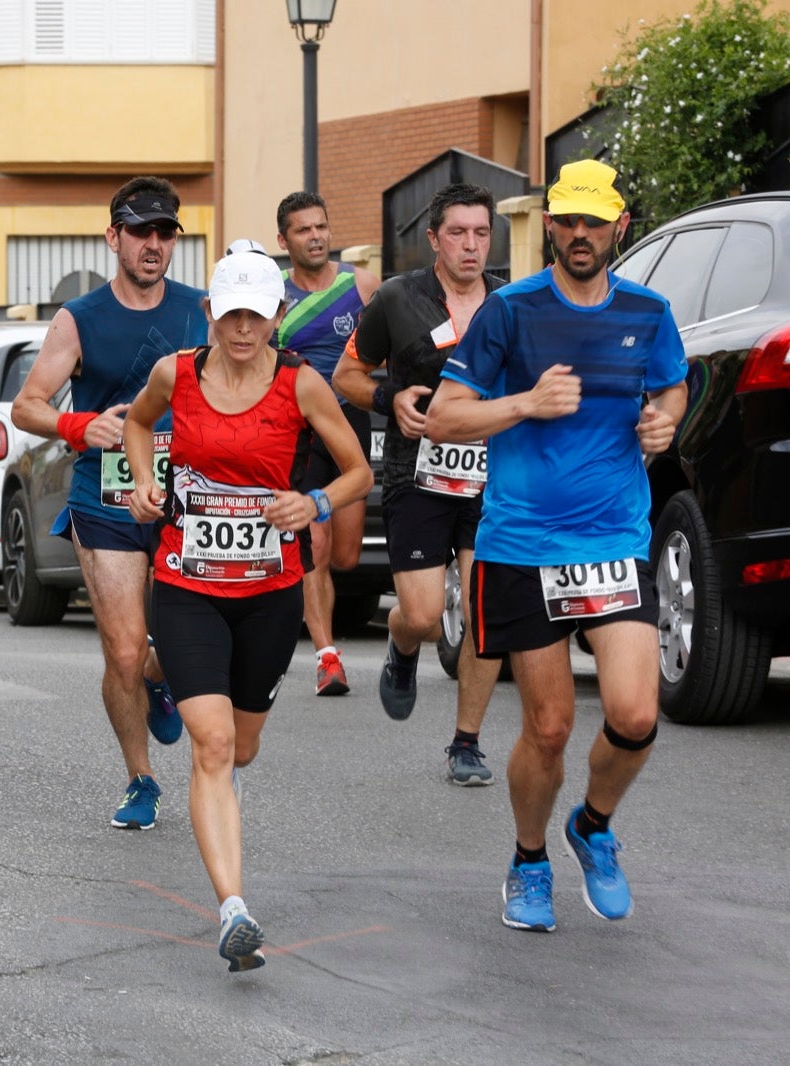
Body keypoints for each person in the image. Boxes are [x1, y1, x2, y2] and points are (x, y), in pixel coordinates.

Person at [425, 159, 687, 933]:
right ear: (549, 226)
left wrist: (664, 421)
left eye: (592, 221)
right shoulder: (510, 311)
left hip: (612, 538)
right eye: (565, 220)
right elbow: (443, 417)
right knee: (548, 726)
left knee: (636, 713)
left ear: (618, 227)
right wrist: (525, 403)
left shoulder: (649, 309)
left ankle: (593, 826)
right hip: (523, 546)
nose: (578, 234)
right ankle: (530, 857)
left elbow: (671, 383)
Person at [125, 247, 371, 971]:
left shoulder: (302, 386)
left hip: (267, 592)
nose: (241, 328)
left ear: (275, 317)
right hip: (186, 582)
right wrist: (146, 482)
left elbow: (358, 471)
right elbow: (139, 424)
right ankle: (233, 907)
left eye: (255, 315)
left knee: (245, 745)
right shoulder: (176, 373)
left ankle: (157, 669)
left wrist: (315, 501)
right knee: (214, 748)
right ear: (210, 314)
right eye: (229, 313)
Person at [12, 176, 208, 830]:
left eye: (165, 233)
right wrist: (77, 426)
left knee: (180, 647)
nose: (153, 245)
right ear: (113, 237)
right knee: (122, 651)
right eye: (141, 232)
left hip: (186, 497)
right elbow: (27, 405)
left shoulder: (201, 310)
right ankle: (140, 777)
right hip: (107, 497)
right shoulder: (81, 318)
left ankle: (161, 678)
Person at [333, 183, 505, 785]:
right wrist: (389, 395)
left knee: (485, 614)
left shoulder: (511, 302)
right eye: (458, 233)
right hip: (418, 474)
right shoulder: (396, 299)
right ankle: (403, 649)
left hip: (493, 479)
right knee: (426, 614)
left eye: (481, 233)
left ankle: (466, 743)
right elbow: (346, 374)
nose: (471, 246)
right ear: (434, 238)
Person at [274, 192, 381, 696]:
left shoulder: (360, 285)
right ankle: (327, 656)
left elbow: (388, 352)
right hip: (300, 432)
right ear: (284, 240)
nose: (315, 236)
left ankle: (316, 625)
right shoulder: (275, 299)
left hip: (350, 426)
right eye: (302, 229)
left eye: (321, 226)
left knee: (346, 556)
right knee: (312, 545)